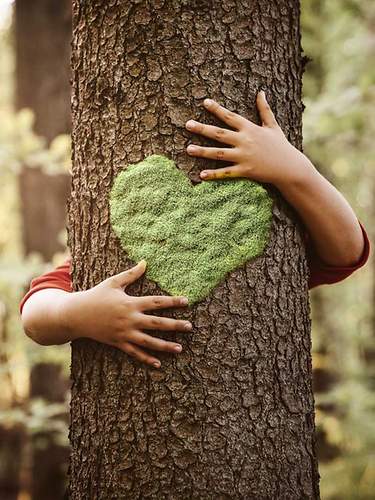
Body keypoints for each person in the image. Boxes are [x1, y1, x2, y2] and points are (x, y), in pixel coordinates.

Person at [19, 91, 370, 369]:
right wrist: (78, 313)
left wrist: (295, 171)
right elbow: (35, 313)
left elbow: (347, 251)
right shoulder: (114, 254)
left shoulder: (277, 238)